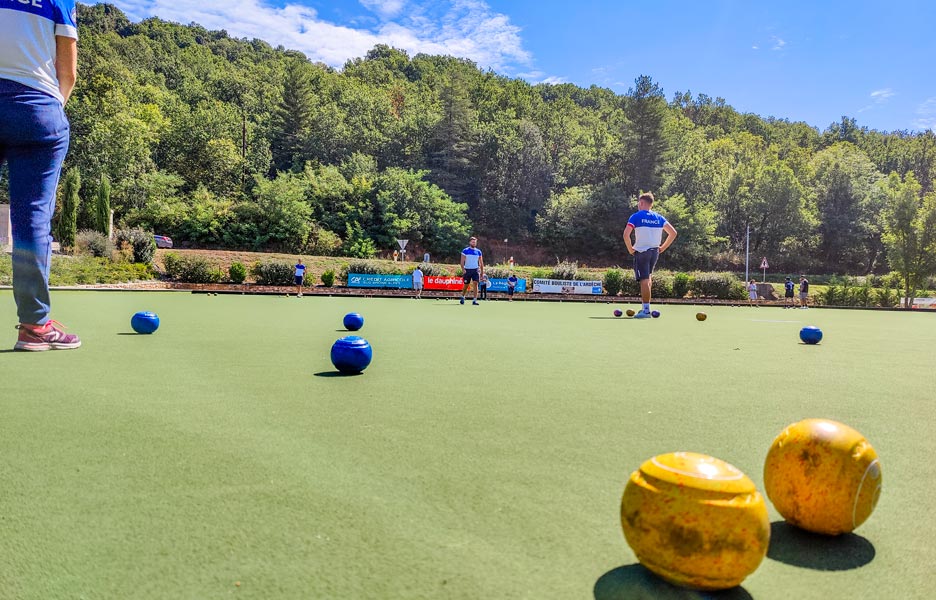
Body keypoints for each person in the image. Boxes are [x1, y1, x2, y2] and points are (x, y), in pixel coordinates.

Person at [2, 0, 80, 350]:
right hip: (38, 106)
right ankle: (34, 326)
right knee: (32, 217)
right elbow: (68, 73)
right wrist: (49, 111)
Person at [622, 192, 677, 319]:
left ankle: (646, 310)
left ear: (641, 203)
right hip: (654, 252)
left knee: (644, 280)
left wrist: (630, 249)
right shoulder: (659, 217)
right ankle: (645, 307)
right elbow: (673, 233)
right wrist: (662, 247)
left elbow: (626, 235)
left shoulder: (635, 216)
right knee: (649, 278)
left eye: (638, 202)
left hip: (641, 252)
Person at [459, 236, 484, 305]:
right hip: (467, 270)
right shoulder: (465, 251)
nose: (474, 243)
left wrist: (482, 272)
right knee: (466, 285)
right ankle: (463, 296)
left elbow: (481, 263)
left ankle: (474, 300)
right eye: (473, 242)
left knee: (475, 283)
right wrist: (463, 269)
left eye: (475, 242)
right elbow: (461, 262)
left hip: (475, 270)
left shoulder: (478, 251)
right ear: (470, 242)